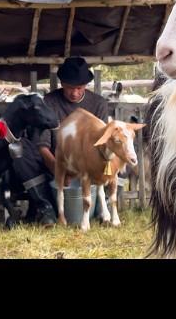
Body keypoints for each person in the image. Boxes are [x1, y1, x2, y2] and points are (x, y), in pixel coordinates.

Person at [12, 56, 109, 226]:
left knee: (120, 151)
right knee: (19, 148)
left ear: (86, 85)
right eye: (70, 87)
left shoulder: (98, 104)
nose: (74, 93)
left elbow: (102, 144)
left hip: (89, 167)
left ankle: (103, 205)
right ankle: (46, 207)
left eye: (79, 88)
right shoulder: (49, 102)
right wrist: (59, 170)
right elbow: (42, 146)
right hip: (54, 164)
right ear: (62, 83)